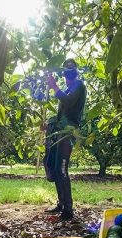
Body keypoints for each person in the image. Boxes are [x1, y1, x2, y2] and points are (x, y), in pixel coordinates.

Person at [42, 59, 87, 220]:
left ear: (75, 73)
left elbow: (68, 103)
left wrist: (54, 86)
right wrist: (48, 125)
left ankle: (68, 210)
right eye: (66, 73)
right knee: (54, 167)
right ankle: (61, 204)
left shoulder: (79, 86)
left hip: (68, 133)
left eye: (70, 73)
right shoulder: (69, 88)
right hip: (59, 132)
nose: (68, 76)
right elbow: (61, 114)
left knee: (62, 169)